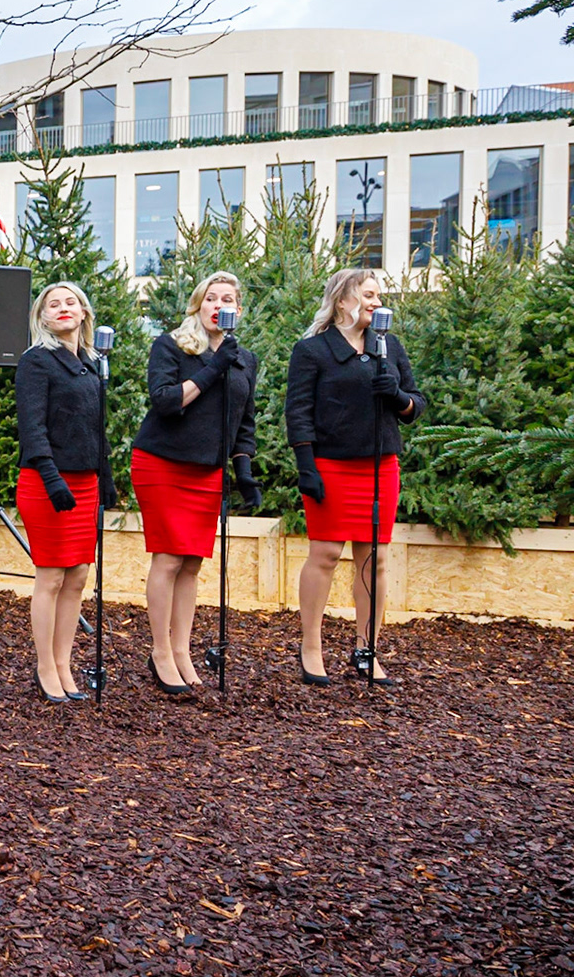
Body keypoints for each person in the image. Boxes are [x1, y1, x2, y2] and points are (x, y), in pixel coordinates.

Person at [287, 268, 426, 686]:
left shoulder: (390, 347)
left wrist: (397, 396)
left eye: (378, 296)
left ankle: (367, 650)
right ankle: (311, 647)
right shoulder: (312, 350)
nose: (376, 302)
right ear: (343, 299)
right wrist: (306, 467)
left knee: (376, 560)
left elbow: (416, 405)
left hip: (381, 466)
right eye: (368, 294)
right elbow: (298, 413)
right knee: (326, 555)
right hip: (330, 466)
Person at [132, 270, 262, 696]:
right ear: (198, 306)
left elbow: (245, 423)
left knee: (192, 563)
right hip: (163, 463)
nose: (219, 305)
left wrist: (243, 470)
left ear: (237, 311)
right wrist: (212, 369)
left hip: (208, 470)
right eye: (211, 298)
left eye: (228, 299)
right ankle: (160, 652)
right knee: (168, 559)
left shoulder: (245, 359)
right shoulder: (172, 346)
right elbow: (166, 402)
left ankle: (183, 650)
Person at [14, 282, 116, 704]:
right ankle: (45, 667)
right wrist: (52, 477)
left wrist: (105, 480)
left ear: (84, 312)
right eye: (53, 304)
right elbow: (32, 427)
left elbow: (97, 429)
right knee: (52, 576)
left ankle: (64, 662)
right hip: (46, 482)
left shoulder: (90, 365)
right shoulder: (37, 361)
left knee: (77, 576)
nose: (63, 308)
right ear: (42, 317)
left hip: (85, 483)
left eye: (70, 302)